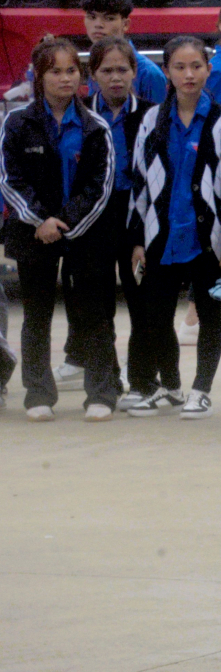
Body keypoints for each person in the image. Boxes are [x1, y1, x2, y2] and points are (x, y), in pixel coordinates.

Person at [123, 35, 221, 417]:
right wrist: (136, 239)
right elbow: (141, 184)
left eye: (196, 66)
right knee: (156, 316)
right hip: (161, 235)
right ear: (166, 72)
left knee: (209, 313)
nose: (189, 74)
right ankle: (172, 387)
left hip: (207, 240)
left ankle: (202, 389)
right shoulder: (151, 120)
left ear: (209, 70)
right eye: (179, 67)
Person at [0, 36, 116, 420]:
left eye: (72, 71)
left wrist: (65, 224)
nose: (65, 79)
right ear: (38, 75)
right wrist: (40, 220)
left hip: (84, 234)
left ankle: (100, 393)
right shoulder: (16, 123)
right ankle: (38, 394)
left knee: (93, 313)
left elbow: (100, 185)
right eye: (55, 71)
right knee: (37, 316)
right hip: (34, 234)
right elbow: (9, 179)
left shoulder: (95, 126)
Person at [86, 38, 156, 410]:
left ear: (134, 73)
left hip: (138, 220)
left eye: (123, 70)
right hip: (93, 220)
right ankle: (104, 385)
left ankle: (144, 382)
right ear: (92, 75)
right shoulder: (81, 115)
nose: (116, 78)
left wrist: (145, 232)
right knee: (97, 307)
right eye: (107, 71)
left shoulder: (151, 115)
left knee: (142, 302)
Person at [78, 0, 167, 104]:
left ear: (125, 24)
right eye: (92, 17)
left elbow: (158, 118)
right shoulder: (95, 62)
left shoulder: (149, 74)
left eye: (109, 18)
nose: (98, 25)